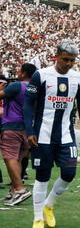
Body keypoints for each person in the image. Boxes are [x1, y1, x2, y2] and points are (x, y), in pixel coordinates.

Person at [23, 40, 80, 228]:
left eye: (72, 61)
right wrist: (30, 131)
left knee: (69, 173)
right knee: (42, 177)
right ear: (57, 56)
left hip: (66, 136)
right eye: (65, 59)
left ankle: (48, 205)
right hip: (42, 135)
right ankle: (37, 219)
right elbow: (28, 105)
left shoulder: (79, 78)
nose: (68, 63)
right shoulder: (41, 75)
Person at [0, 63, 37, 206]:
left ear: (23, 73)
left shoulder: (17, 85)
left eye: (19, 71)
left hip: (12, 125)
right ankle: (13, 190)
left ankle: (20, 190)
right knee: (18, 159)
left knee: (10, 158)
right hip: (28, 129)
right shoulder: (37, 89)